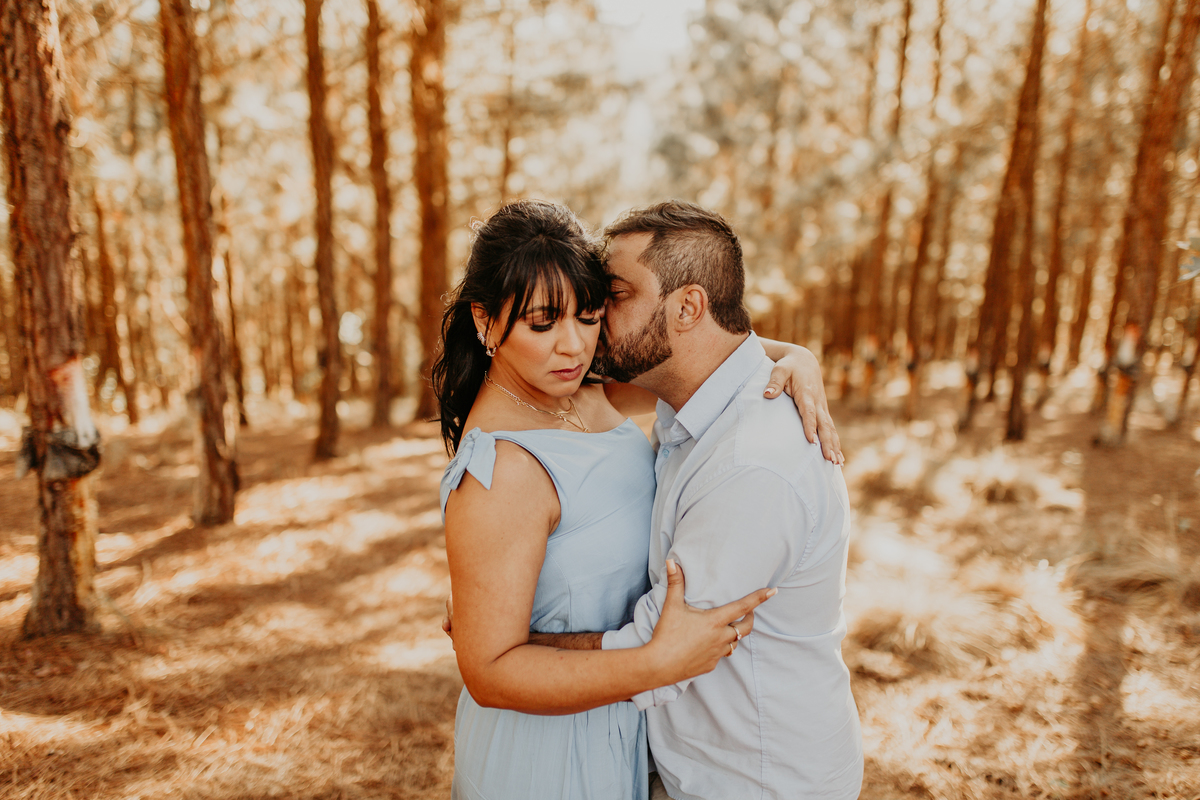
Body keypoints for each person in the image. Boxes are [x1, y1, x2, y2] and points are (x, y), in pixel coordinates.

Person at [433, 199, 840, 800]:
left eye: (590, 315)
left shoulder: (586, 392)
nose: (571, 346)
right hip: (547, 752)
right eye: (542, 323)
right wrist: (653, 664)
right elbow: (488, 671)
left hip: (622, 726)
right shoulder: (504, 468)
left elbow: (704, 354)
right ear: (487, 321)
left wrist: (794, 357)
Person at [543, 200, 864, 800]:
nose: (593, 312)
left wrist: (513, 642)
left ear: (688, 306)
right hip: (704, 764)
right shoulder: (694, 400)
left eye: (615, 294)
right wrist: (793, 350)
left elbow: (657, 649)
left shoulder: (752, 464)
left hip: (757, 781)